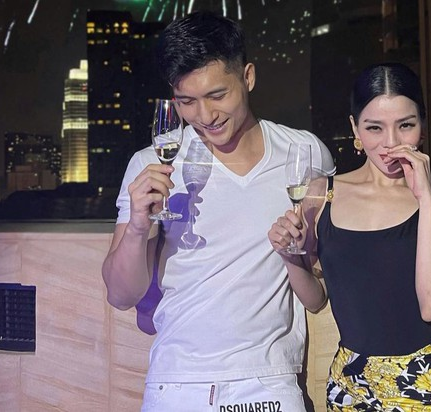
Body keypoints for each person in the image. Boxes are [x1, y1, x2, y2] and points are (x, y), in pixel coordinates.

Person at [102, 10, 336, 411]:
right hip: (177, 381)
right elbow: (121, 295)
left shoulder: (305, 154)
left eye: (217, 95)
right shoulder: (151, 165)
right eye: (186, 102)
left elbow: (317, 273)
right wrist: (139, 227)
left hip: (268, 382)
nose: (205, 116)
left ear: (248, 77)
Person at [268, 62, 431, 411]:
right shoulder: (321, 194)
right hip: (353, 388)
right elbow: (315, 300)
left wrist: (425, 199)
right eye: (374, 128)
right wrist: (290, 256)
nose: (391, 143)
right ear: (355, 128)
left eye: (405, 125)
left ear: (423, 126)